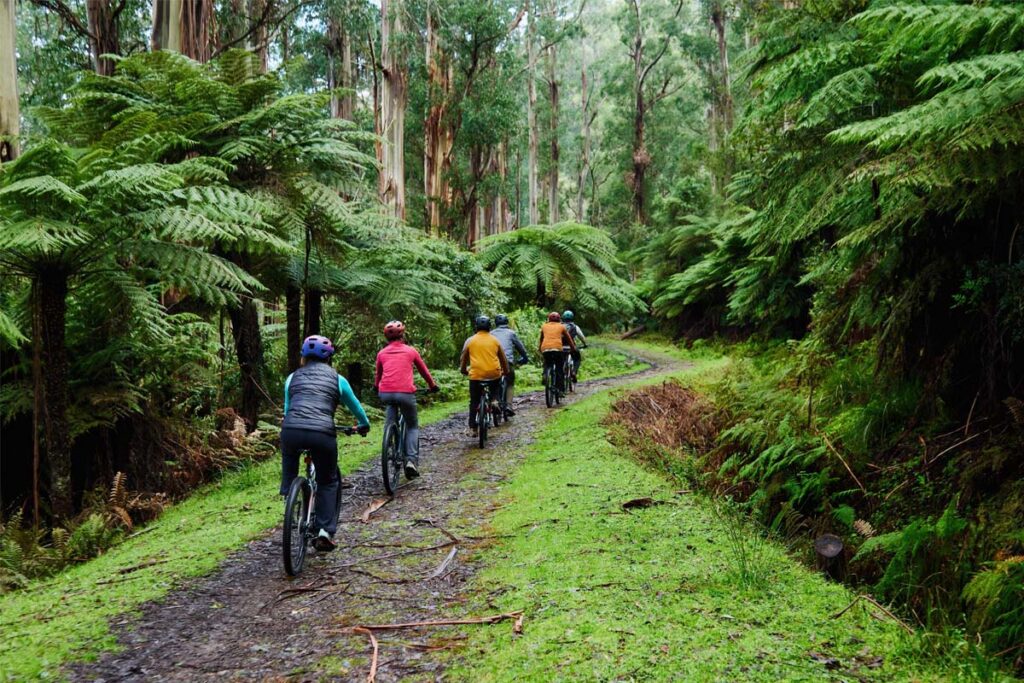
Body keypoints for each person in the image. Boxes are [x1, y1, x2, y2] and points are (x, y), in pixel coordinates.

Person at [281, 335, 370, 552]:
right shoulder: (338, 379)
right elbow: (356, 407)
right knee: (328, 481)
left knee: (290, 459)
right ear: (329, 358)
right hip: (322, 433)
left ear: (303, 356)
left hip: (291, 430)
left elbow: (287, 409)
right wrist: (363, 424)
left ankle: (288, 495)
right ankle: (323, 531)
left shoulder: (292, 378)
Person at [374, 320, 440, 480]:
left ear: (386, 337)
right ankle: (411, 460)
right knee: (412, 426)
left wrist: (376, 387)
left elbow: (378, 376)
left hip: (386, 393)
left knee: (390, 420)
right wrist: (432, 385)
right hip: (405, 393)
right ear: (403, 335)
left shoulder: (381, 353)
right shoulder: (411, 351)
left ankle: (390, 442)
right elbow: (424, 371)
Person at [459, 316, 510, 436]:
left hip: (476, 375)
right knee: (495, 389)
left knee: (474, 401)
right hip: (493, 373)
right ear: (489, 327)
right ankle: (495, 401)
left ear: (476, 327)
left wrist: (463, 370)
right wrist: (505, 370)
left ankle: (473, 428)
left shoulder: (470, 341)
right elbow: (503, 359)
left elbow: (463, 359)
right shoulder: (495, 340)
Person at [490, 314, 529, 417]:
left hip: (493, 362)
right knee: (510, 383)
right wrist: (525, 357)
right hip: (507, 362)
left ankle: (495, 401)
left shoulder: (491, 334)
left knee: (494, 382)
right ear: (506, 322)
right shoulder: (511, 333)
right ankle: (509, 406)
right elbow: (520, 347)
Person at [538, 312, 576, 395]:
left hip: (545, 348)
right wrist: (573, 348)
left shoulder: (544, 326)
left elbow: (541, 339)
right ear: (559, 319)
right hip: (557, 349)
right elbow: (569, 339)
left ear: (549, 319)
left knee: (547, 363)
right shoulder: (561, 326)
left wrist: (540, 349)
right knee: (559, 368)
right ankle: (560, 390)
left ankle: (545, 374)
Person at [561, 310, 587, 380]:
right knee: (577, 358)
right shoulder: (575, 327)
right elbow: (582, 337)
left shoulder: (559, 326)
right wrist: (585, 344)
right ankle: (574, 372)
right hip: (571, 347)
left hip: (560, 347)